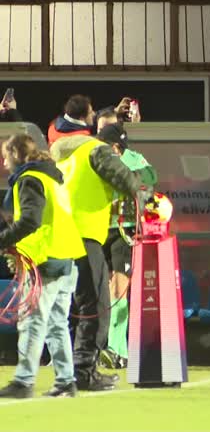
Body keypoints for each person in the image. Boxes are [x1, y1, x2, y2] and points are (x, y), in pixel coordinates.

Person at [50, 125, 149, 391]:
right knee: (96, 305)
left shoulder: (67, 157)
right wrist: (142, 189)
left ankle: (66, 371)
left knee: (67, 307)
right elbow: (127, 181)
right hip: (85, 235)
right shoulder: (97, 151)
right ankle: (84, 371)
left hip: (60, 236)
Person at [0, 134, 85, 398]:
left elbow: (30, 221)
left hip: (45, 257)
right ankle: (66, 381)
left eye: (5, 157)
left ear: (15, 155)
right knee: (57, 322)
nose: (4, 163)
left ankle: (24, 381)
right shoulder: (51, 176)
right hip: (67, 256)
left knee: (32, 320)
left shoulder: (29, 179)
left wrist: (4, 240)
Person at [96, 123, 158, 370]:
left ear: (115, 147)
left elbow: (151, 178)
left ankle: (116, 348)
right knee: (104, 289)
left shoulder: (135, 159)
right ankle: (114, 349)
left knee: (119, 288)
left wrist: (128, 180)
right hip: (99, 229)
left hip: (125, 229)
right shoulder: (97, 160)